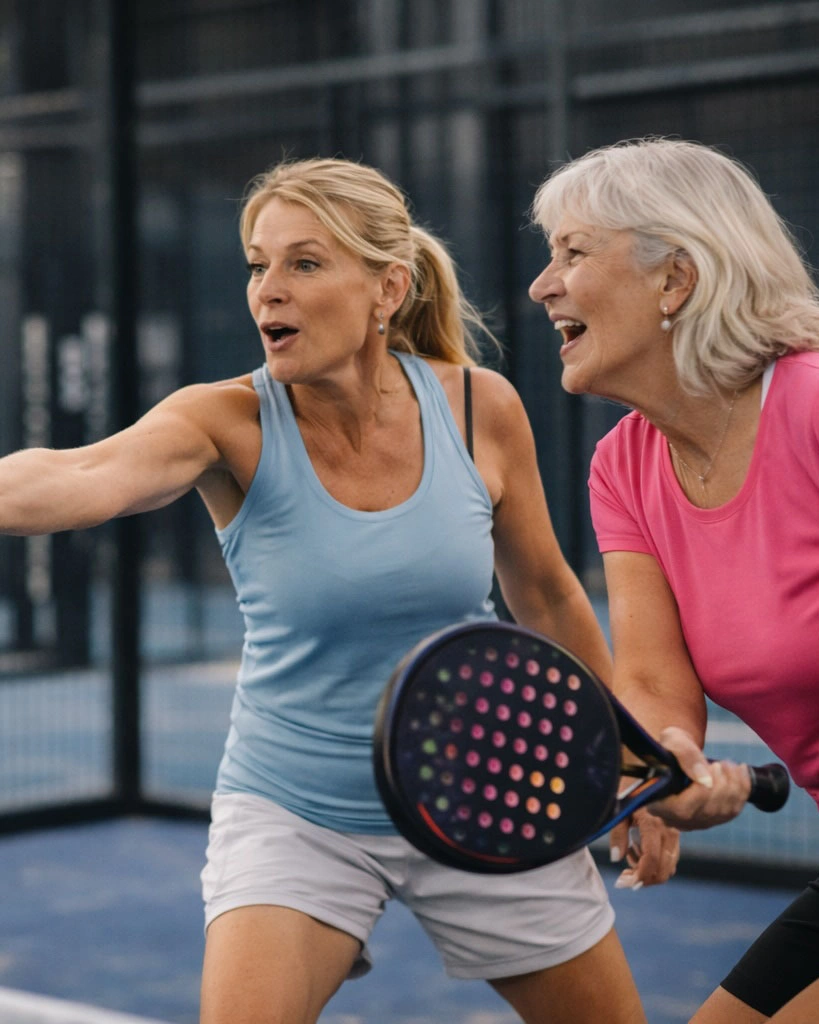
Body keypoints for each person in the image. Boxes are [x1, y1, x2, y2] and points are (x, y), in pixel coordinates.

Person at [0, 156, 647, 1024]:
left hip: (484, 786)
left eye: (303, 263)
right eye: (256, 265)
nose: (268, 289)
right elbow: (80, 476)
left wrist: (629, 760)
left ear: (387, 290)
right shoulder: (220, 420)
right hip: (295, 810)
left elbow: (548, 595)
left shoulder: (477, 407)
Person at [528, 136, 819, 1023]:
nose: (543, 285)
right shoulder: (624, 466)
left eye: (572, 253)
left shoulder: (811, 406)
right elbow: (653, 678)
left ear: (675, 281)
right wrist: (670, 763)